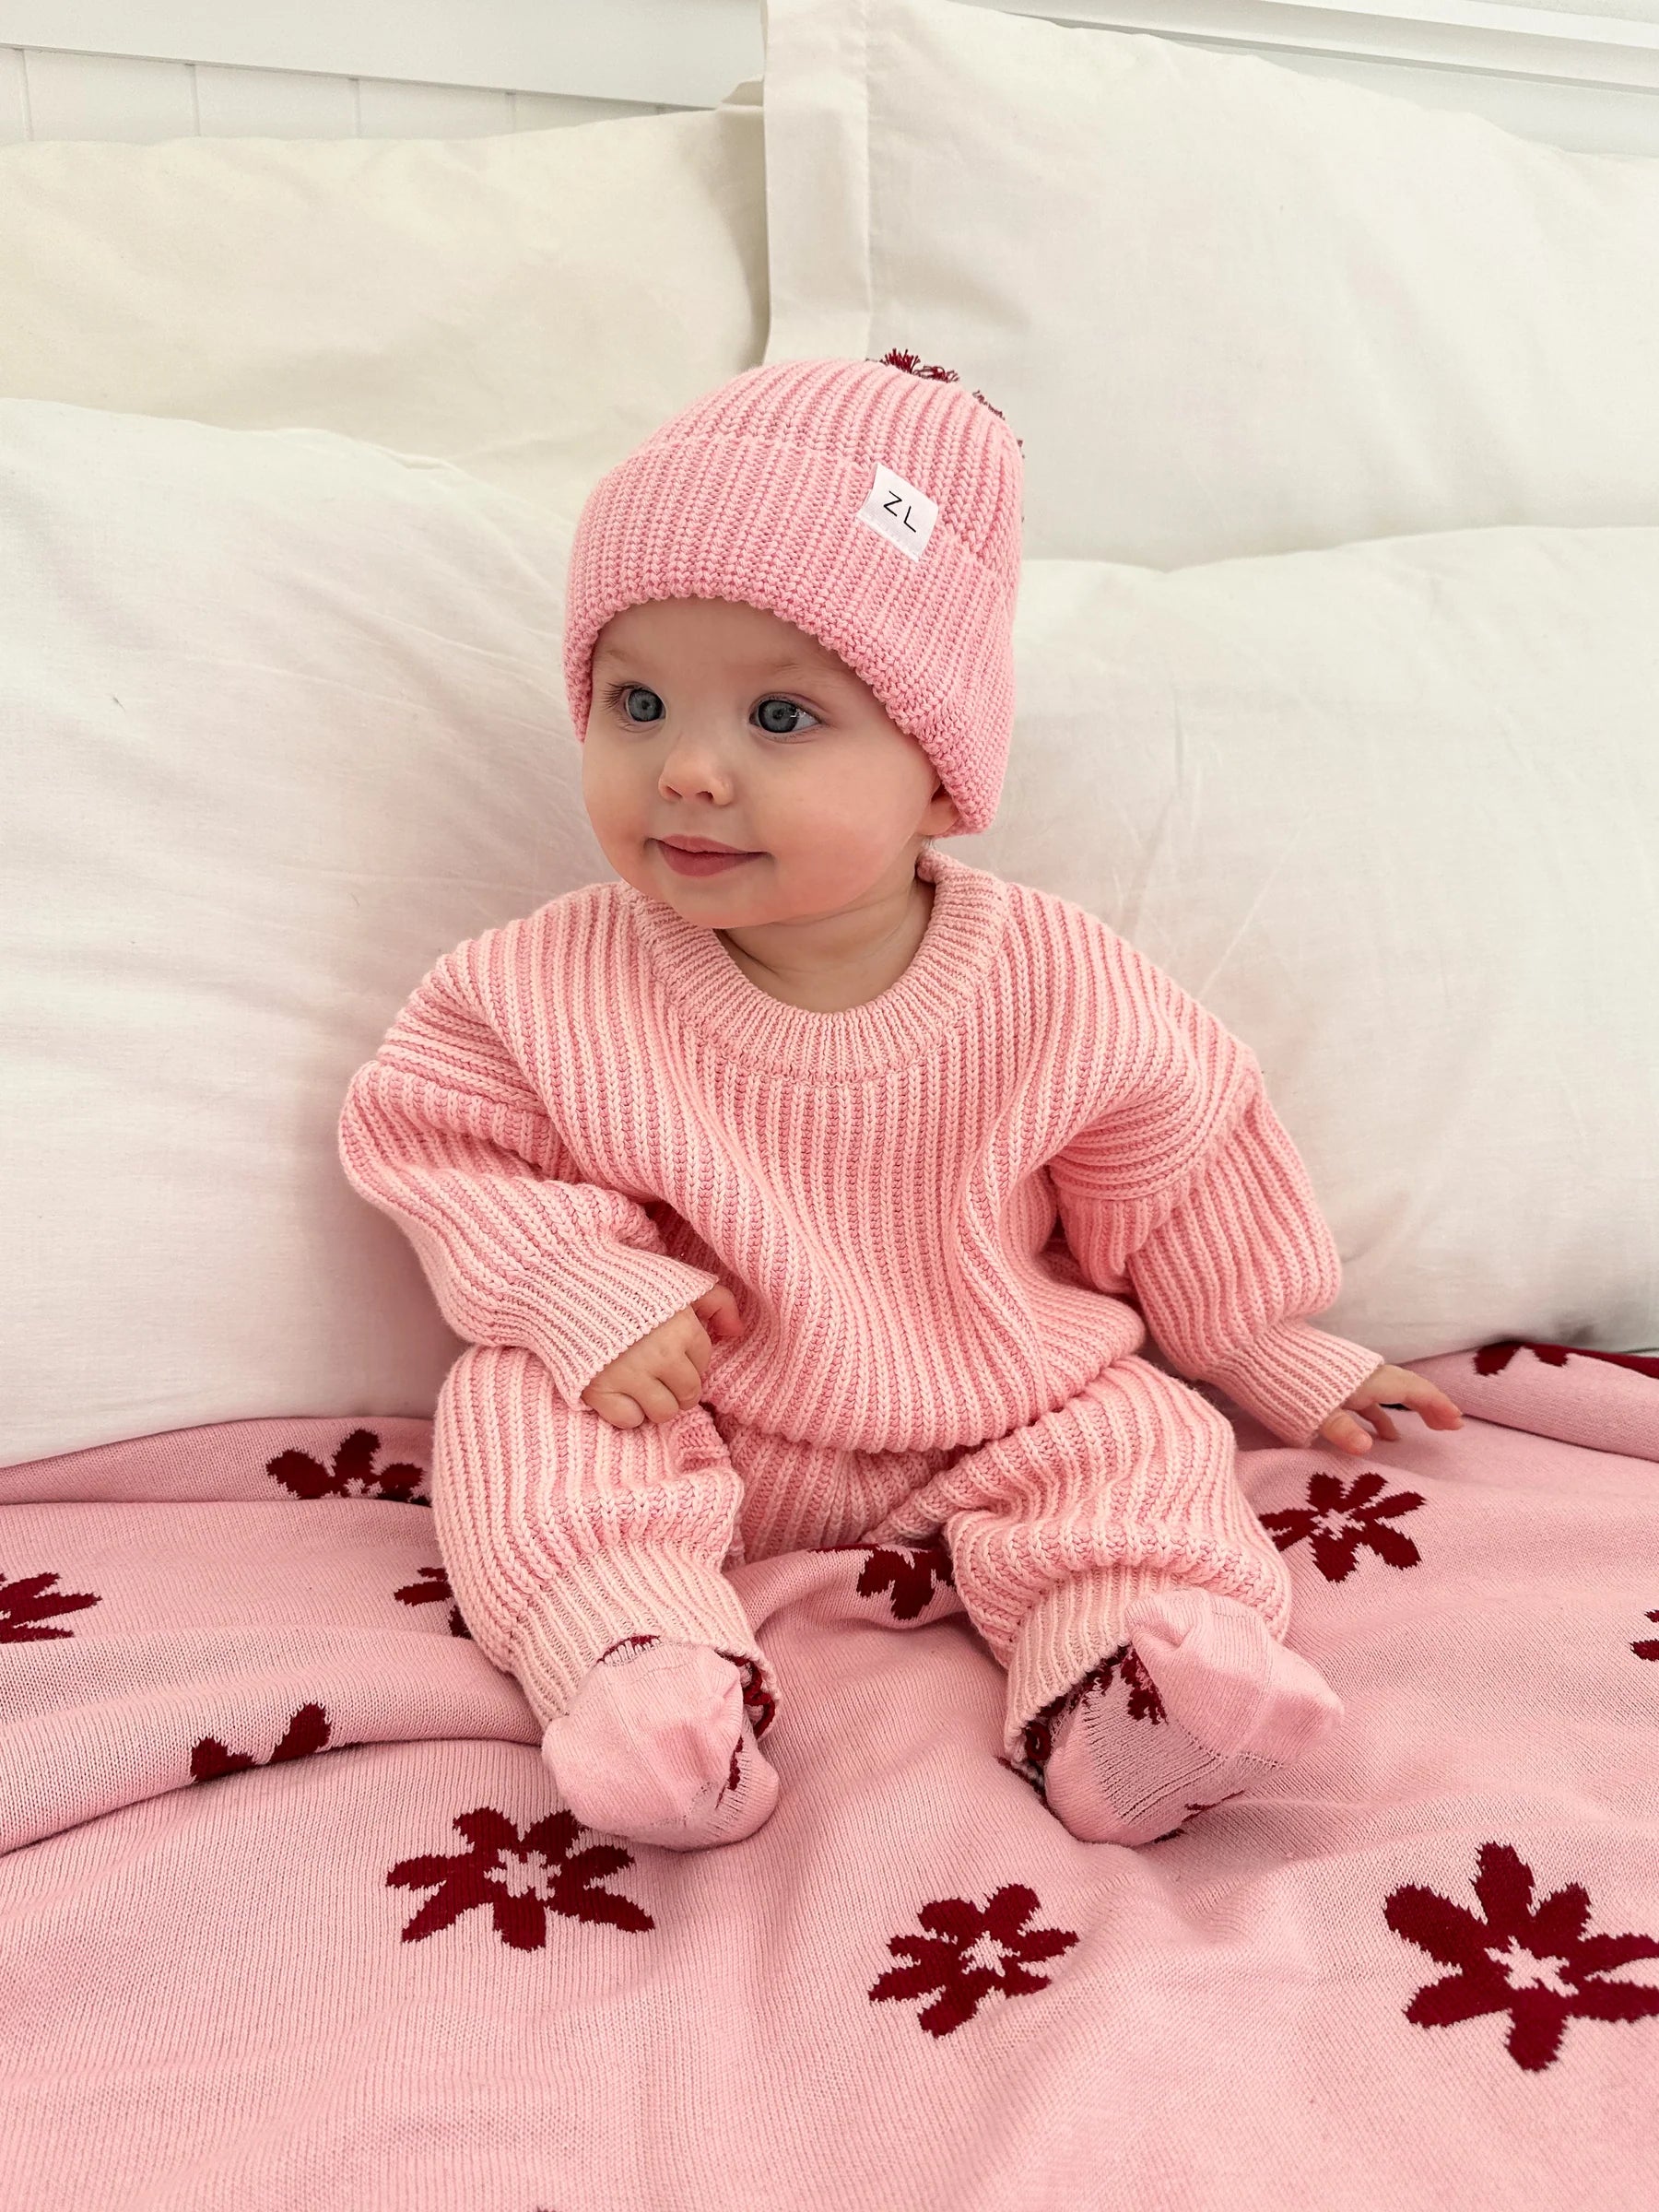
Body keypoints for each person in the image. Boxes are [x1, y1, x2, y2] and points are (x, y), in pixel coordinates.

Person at [336, 352, 1463, 1856]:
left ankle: (1133, 1686)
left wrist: (1265, 1341)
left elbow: (1177, 1163)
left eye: (780, 718)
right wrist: (576, 1290)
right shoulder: (543, 983)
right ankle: (640, 1667)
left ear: (938, 775)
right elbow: (439, 1143)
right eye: (637, 703)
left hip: (998, 1404)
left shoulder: (1056, 980)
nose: (688, 771)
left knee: (1138, 1440)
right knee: (516, 1409)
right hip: (696, 1404)